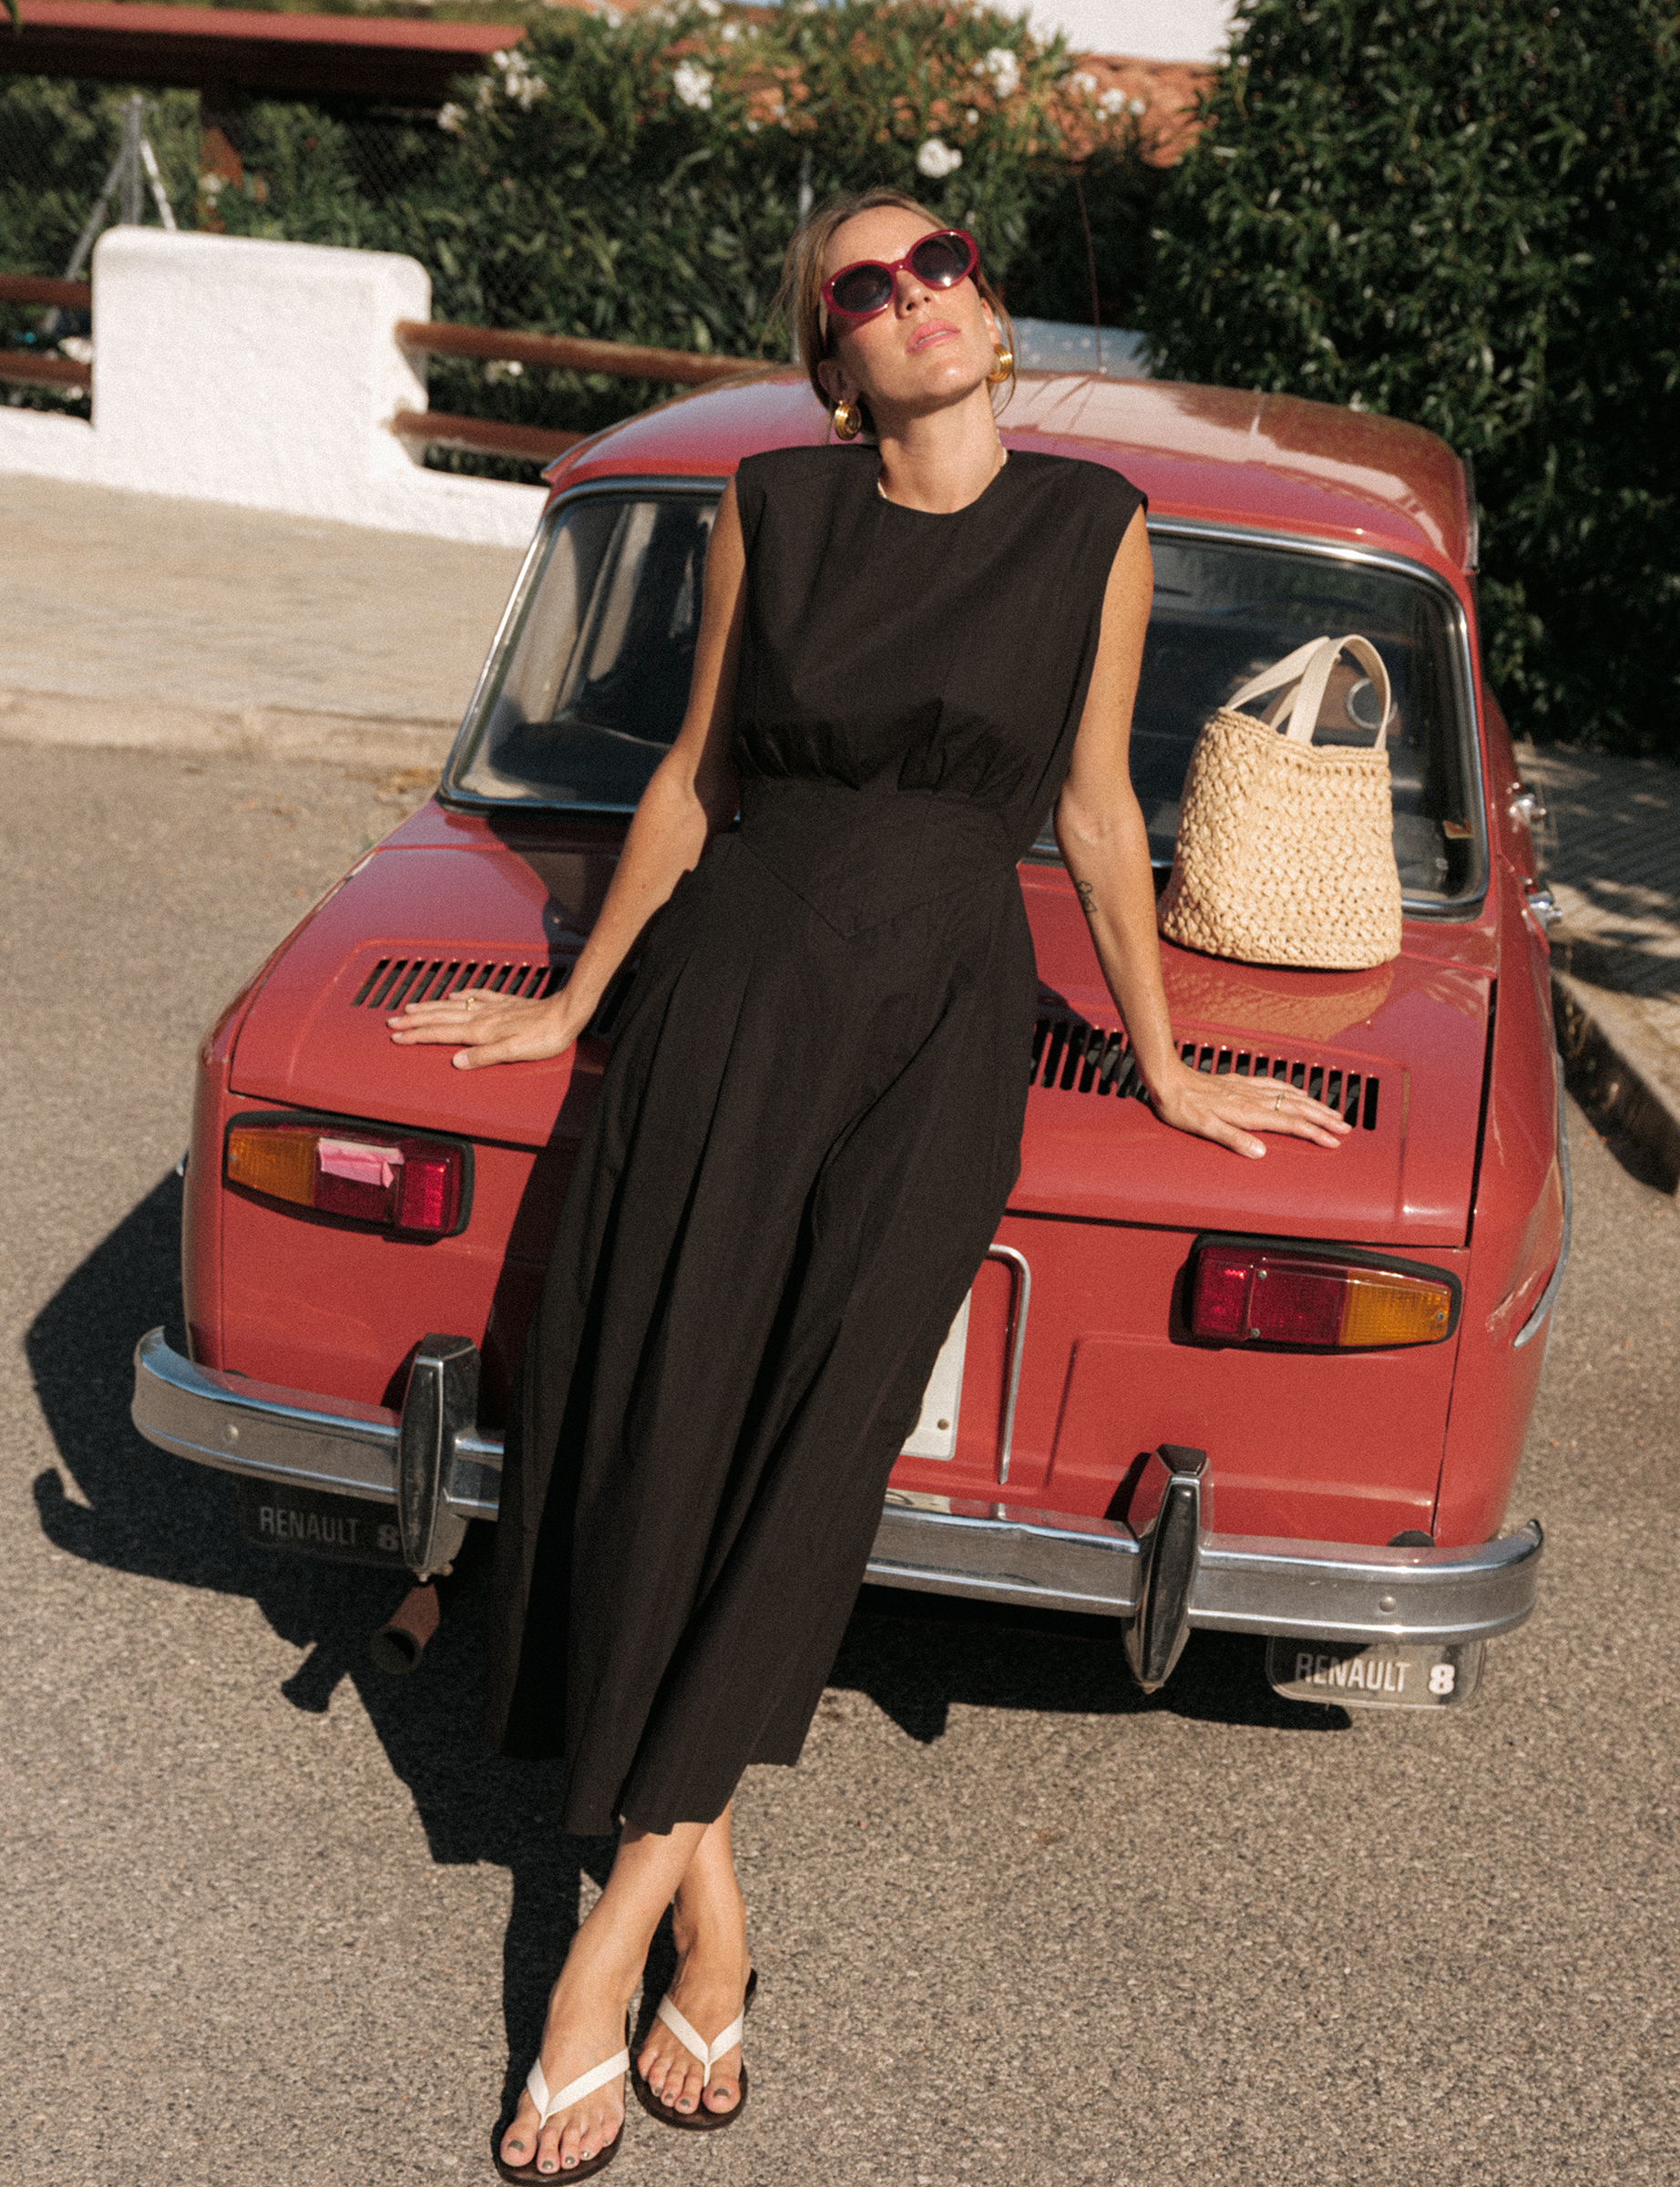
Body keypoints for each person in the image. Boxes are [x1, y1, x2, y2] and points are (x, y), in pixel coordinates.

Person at [391, 187, 1348, 2180]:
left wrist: (1167, 1063)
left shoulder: (1091, 525)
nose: (917, 300)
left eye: (945, 266)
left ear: (989, 312)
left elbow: (1096, 807)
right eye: (866, 288)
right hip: (726, 999)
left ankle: (601, 1958)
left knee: (811, 1460)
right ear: (827, 354)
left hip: (935, 1039)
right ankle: (708, 1933)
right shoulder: (770, 501)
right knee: (659, 1435)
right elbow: (691, 778)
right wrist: (570, 1006)